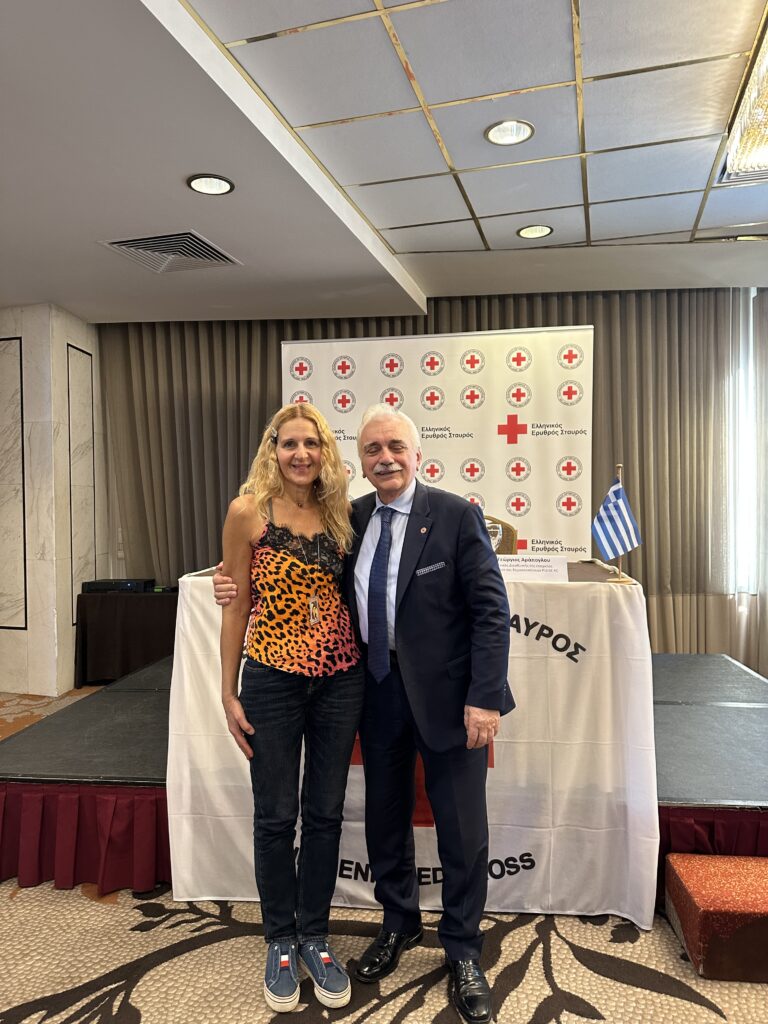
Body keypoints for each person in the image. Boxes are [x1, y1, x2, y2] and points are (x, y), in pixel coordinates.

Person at [217, 403, 513, 1024]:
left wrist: (485, 696)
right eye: (373, 449)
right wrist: (228, 582)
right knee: (384, 820)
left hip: (448, 699)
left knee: (461, 828)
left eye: (395, 447)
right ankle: (398, 923)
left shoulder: (455, 515)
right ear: (358, 459)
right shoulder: (348, 517)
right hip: (373, 691)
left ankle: (462, 950)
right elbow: (290, 578)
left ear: (417, 453)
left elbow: (491, 610)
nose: (385, 459)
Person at [219, 402, 364, 1014]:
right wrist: (227, 691)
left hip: (340, 681)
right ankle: (280, 937)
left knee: (325, 815)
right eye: (289, 444)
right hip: (271, 680)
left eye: (312, 443)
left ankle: (315, 936)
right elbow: (234, 602)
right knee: (276, 816)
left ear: (325, 451)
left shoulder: (342, 513)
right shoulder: (247, 511)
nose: (301, 454)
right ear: (272, 450)